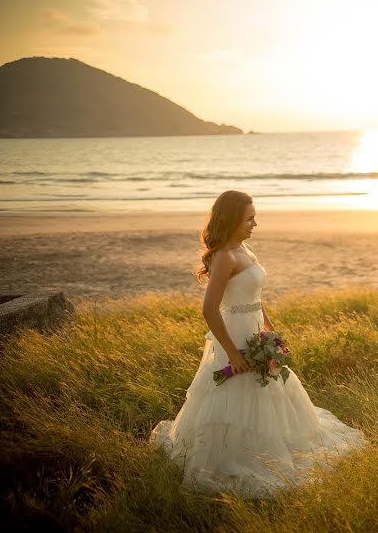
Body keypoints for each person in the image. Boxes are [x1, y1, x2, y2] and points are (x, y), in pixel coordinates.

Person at [150, 190, 365, 496]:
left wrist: (271, 332)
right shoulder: (225, 257)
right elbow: (210, 309)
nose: (254, 224)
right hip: (234, 337)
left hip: (255, 333)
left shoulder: (245, 250)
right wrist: (233, 354)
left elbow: (254, 297)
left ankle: (274, 447)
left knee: (271, 392)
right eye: (249, 218)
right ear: (233, 219)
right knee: (236, 395)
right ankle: (238, 455)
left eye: (254, 217)